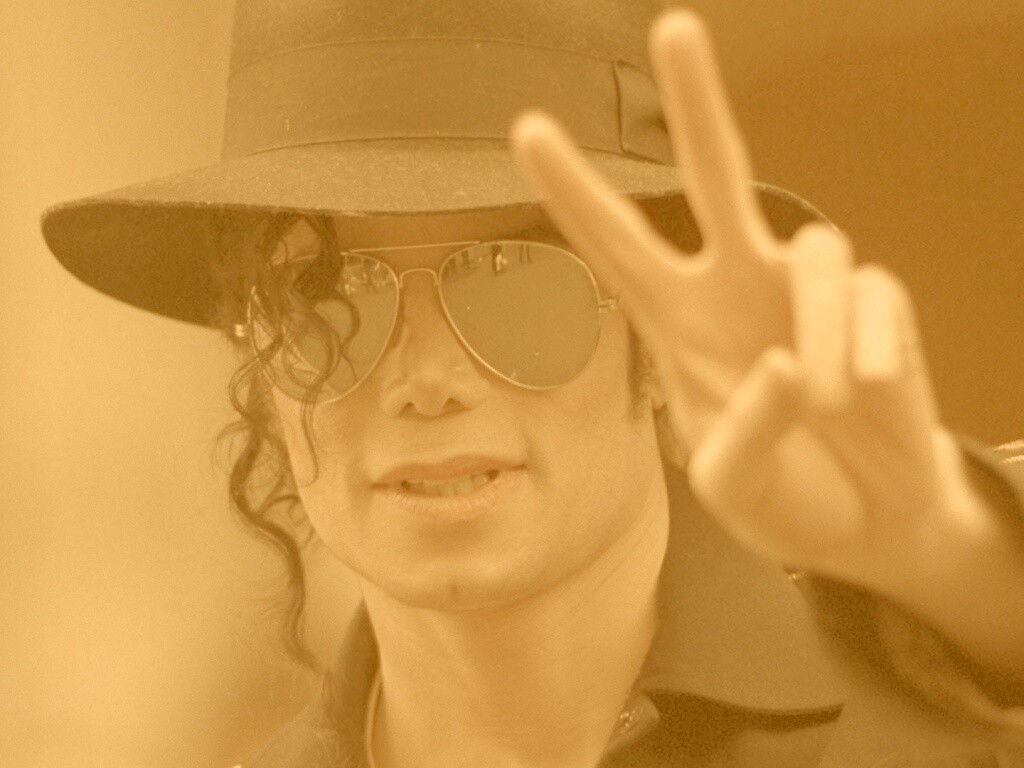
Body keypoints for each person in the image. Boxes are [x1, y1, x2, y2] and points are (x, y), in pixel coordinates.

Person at [40, 0, 1024, 766]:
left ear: (656, 334)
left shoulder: (940, 714)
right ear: (260, 361)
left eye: (515, 282)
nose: (426, 380)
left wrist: (945, 552)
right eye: (329, 296)